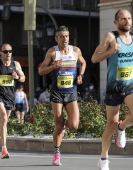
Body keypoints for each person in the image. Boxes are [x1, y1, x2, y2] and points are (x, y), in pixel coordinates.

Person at [91, 9, 133, 170]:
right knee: (111, 124)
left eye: (129, 18)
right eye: (123, 19)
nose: (127, 21)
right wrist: (111, 50)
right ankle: (103, 158)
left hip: (130, 85)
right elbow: (94, 58)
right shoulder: (111, 37)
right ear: (116, 22)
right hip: (114, 87)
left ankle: (122, 128)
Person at [38, 26, 86, 166]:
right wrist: (53, 66)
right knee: (58, 124)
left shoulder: (75, 51)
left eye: (66, 36)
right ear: (56, 38)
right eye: (61, 36)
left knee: (74, 126)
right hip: (57, 93)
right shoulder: (52, 52)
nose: (64, 39)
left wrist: (80, 75)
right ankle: (57, 153)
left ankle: (64, 127)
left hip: (71, 92)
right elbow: (41, 71)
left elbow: (83, 63)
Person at [0, 43, 25, 159]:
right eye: (6, 51)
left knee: (4, 121)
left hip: (10, 96)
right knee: (4, 117)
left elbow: (23, 77)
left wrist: (17, 77)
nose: (8, 53)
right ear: (1, 53)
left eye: (10, 51)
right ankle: (4, 149)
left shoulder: (16, 64)